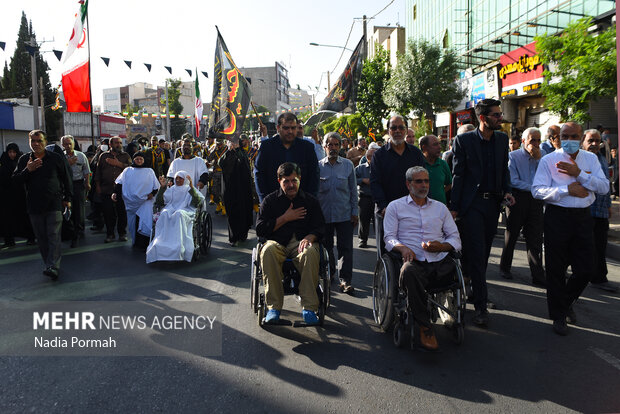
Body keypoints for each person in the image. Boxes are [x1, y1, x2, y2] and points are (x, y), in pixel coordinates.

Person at [532, 122, 609, 335]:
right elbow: (537, 190)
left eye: (574, 136)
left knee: (586, 268)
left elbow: (603, 187)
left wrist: (579, 174)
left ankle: (564, 302)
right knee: (556, 269)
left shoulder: (590, 159)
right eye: (565, 136)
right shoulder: (549, 160)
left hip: (583, 218)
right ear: (558, 137)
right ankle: (558, 316)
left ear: (581, 137)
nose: (569, 140)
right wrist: (566, 190)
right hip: (557, 217)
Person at [450, 98, 514, 327]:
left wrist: (507, 191)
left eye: (500, 114)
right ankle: (481, 307)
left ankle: (471, 284)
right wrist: (455, 207)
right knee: (477, 253)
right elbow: (458, 175)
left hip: (492, 205)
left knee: (483, 254)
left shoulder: (501, 139)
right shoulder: (464, 140)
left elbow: (503, 169)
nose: (500, 118)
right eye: (496, 115)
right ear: (483, 118)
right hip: (472, 205)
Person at [383, 166, 461, 351]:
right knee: (408, 271)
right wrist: (402, 248)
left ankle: (448, 311)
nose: (424, 185)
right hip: (413, 262)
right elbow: (389, 237)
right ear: (408, 184)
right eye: (419, 181)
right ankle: (425, 327)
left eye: (426, 181)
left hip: (439, 261)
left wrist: (441, 246)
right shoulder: (395, 206)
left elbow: (455, 238)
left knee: (457, 269)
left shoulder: (440, 208)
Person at [255, 162, 325, 325]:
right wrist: (285, 218)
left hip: (301, 242)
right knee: (267, 251)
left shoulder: (310, 201)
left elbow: (321, 227)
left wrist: (310, 237)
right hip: (277, 242)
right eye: (286, 181)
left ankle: (309, 308)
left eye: (294, 180)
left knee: (310, 252)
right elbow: (260, 229)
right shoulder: (270, 201)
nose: (291, 184)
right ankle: (273, 308)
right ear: (279, 181)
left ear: (299, 179)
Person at [12, 130, 72, 280]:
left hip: (54, 203)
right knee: (42, 237)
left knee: (53, 235)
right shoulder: (24, 159)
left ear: (46, 142)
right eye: (33, 141)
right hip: (34, 205)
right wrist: (28, 170)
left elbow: (66, 178)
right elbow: (15, 181)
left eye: (39, 140)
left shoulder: (55, 158)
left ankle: (53, 266)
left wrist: (68, 198)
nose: (36, 144)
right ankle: (49, 264)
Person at [370, 114, 425, 258]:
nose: (397, 131)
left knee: (414, 250)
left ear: (406, 130)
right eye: (393, 128)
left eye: (401, 127)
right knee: (386, 253)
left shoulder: (416, 154)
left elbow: (423, 180)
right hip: (386, 211)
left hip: (412, 210)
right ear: (388, 131)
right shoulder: (379, 155)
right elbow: (375, 183)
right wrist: (383, 207)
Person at [499, 127, 545, 285]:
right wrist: (534, 188)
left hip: (536, 200)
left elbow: (545, 177)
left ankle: (537, 275)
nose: (536, 143)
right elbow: (513, 180)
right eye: (533, 140)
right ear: (524, 141)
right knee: (512, 235)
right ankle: (505, 267)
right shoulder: (514, 156)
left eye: (539, 140)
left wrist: (538, 159)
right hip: (518, 198)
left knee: (535, 238)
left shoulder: (542, 157)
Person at [318, 132, 358, 293]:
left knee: (346, 249)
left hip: (344, 215)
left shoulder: (348, 165)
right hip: (324, 215)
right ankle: (330, 274)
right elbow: (314, 193)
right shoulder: (318, 166)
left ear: (340, 146)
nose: (333, 148)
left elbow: (353, 192)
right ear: (324, 147)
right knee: (326, 248)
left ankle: (345, 280)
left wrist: (355, 212)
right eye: (330, 145)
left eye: (336, 145)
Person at [254, 112, 319, 202]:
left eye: (293, 128)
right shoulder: (267, 147)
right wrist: (265, 200)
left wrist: (310, 201)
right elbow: (259, 174)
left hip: (302, 203)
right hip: (274, 202)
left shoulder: (307, 147)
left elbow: (314, 175)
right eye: (286, 128)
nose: (290, 131)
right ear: (278, 128)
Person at [582, 129, 618, 293]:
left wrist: (609, 205)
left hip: (601, 211)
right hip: (585, 211)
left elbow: (606, 184)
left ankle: (598, 278)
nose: (595, 144)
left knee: (600, 245)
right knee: (583, 246)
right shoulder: (580, 159)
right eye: (591, 140)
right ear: (584, 140)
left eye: (597, 141)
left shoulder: (602, 159)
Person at [146, 170, 205, 263]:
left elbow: (196, 202)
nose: (177, 180)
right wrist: (162, 187)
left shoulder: (189, 189)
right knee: (164, 213)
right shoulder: (172, 189)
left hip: (186, 210)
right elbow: (160, 202)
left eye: (180, 178)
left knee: (179, 214)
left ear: (185, 179)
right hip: (172, 209)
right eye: (176, 178)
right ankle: (160, 243)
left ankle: (179, 245)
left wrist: (192, 187)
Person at [112, 152, 160, 247]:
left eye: (141, 159)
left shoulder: (149, 171)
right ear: (133, 160)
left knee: (145, 221)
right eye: (137, 159)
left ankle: (145, 243)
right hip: (130, 202)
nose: (139, 161)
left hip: (145, 202)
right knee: (133, 224)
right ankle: (135, 242)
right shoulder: (127, 170)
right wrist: (115, 193)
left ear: (144, 160)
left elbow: (156, 186)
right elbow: (119, 183)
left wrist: (152, 194)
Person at [94, 136, 132, 243]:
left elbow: (132, 168)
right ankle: (110, 234)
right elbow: (98, 172)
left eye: (120, 143)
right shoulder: (103, 156)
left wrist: (119, 164)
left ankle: (122, 233)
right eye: (116, 143)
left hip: (122, 189)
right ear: (110, 144)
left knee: (122, 213)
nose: (119, 145)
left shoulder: (125, 156)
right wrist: (97, 186)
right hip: (106, 189)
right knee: (108, 213)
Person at [219, 136, 254, 246]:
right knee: (232, 212)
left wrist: (237, 151)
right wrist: (230, 152)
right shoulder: (227, 154)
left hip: (243, 189)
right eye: (230, 142)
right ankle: (233, 238)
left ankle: (242, 235)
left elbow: (245, 168)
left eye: (234, 142)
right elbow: (221, 163)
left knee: (243, 211)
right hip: (230, 189)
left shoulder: (242, 154)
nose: (232, 144)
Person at [0, 143, 34, 247]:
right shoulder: (3, 162)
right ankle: (9, 240)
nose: (12, 154)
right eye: (10, 152)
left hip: (20, 194)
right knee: (6, 219)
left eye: (14, 152)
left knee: (24, 216)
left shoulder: (22, 161)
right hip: (6, 195)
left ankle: (30, 238)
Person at [61, 135, 91, 248]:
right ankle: (69, 231)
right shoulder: (60, 157)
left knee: (79, 209)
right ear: (62, 145)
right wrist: (67, 163)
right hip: (64, 185)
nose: (68, 146)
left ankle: (78, 232)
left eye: (70, 143)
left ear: (74, 144)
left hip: (78, 184)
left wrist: (87, 182)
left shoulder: (81, 156)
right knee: (67, 209)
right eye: (66, 144)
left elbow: (86, 171)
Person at [355, 142, 380, 248]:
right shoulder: (360, 168)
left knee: (377, 221)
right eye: (372, 156)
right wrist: (363, 180)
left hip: (377, 198)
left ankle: (379, 240)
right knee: (363, 219)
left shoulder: (381, 168)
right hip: (364, 197)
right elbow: (352, 180)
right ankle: (362, 239)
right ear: (368, 157)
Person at [420, 134, 452, 205]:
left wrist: (440, 192)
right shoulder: (418, 164)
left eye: (439, 144)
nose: (439, 147)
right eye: (435, 145)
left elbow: (449, 183)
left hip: (440, 207)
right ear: (424, 147)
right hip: (421, 208)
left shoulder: (443, 164)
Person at [206, 138, 228, 214]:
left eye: (220, 144)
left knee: (224, 191)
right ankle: (218, 204)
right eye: (218, 144)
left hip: (225, 173)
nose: (219, 145)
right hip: (216, 173)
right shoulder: (215, 150)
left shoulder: (227, 150)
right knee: (214, 190)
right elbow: (208, 159)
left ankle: (224, 207)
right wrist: (213, 150)